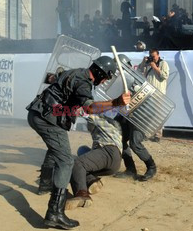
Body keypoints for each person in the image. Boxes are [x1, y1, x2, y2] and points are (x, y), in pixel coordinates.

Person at [26, 55, 131, 229]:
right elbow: (89, 108)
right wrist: (116, 102)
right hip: (48, 119)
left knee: (58, 150)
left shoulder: (75, 72)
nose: (104, 81)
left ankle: (45, 185)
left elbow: (52, 77)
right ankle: (54, 213)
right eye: (105, 77)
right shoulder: (84, 82)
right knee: (67, 161)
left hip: (37, 113)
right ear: (99, 72)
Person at [65, 112, 123, 210]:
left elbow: (89, 115)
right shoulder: (112, 133)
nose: (87, 127)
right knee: (83, 152)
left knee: (77, 164)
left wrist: (73, 109)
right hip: (114, 164)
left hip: (108, 152)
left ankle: (82, 194)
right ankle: (92, 181)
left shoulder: (104, 123)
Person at [113, 54, 157, 181]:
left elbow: (141, 99)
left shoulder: (136, 80)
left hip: (143, 115)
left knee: (135, 143)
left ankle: (151, 167)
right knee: (120, 140)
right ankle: (130, 169)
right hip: (129, 114)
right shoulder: (121, 81)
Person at [138, 48, 170, 141]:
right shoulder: (148, 63)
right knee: (147, 113)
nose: (153, 58)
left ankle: (157, 135)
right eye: (151, 56)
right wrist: (144, 62)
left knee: (158, 115)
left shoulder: (163, 63)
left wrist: (155, 67)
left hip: (158, 93)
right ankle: (146, 134)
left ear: (158, 55)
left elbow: (165, 76)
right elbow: (139, 70)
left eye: (154, 56)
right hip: (148, 92)